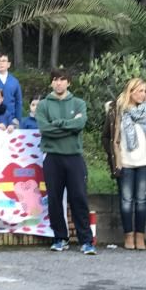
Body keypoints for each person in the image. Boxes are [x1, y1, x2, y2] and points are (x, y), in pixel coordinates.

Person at [35, 68, 95, 255]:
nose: (59, 83)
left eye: (62, 80)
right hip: (52, 157)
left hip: (74, 156)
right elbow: (45, 129)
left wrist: (59, 124)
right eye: (55, 80)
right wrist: (68, 125)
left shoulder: (78, 103)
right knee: (54, 198)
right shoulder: (44, 105)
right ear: (51, 83)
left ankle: (86, 240)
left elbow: (80, 124)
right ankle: (60, 237)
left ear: (69, 82)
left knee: (79, 197)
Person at [101, 78, 146, 251]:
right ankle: (128, 235)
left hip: (145, 162)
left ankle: (140, 235)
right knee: (126, 200)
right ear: (129, 92)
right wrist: (113, 155)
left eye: (144, 91)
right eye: (138, 91)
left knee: (142, 200)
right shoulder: (117, 111)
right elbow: (106, 137)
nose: (142, 94)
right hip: (125, 163)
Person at [0, 53, 24, 122]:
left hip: (11, 118)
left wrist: (18, 118)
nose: (1, 63)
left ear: (8, 64)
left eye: (4, 61)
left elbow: (18, 101)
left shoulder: (14, 81)